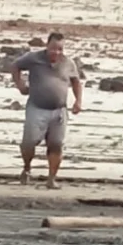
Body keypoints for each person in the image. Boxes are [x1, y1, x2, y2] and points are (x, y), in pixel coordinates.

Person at [10, 32, 82, 189]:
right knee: (29, 142)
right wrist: (21, 85)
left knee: (56, 144)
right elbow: (15, 66)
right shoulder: (33, 58)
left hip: (59, 110)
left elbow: (76, 82)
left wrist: (78, 101)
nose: (56, 52)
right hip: (36, 107)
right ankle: (27, 168)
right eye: (53, 48)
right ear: (47, 46)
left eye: (60, 49)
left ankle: (51, 179)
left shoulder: (68, 63)